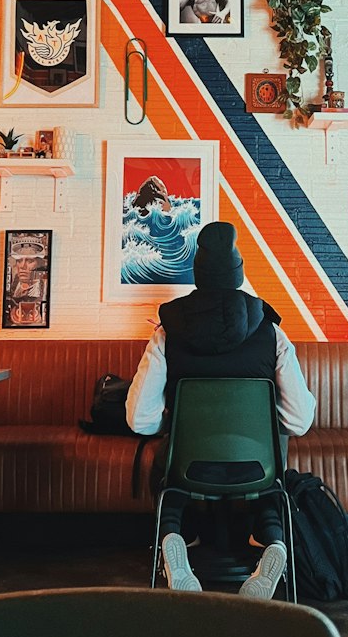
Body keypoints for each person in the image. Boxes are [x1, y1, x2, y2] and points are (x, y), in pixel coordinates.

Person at [126, 221, 316, 597]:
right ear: (239, 273)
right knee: (271, 475)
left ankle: (174, 539)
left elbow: (139, 420)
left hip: (189, 470)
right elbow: (299, 419)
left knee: (169, 471)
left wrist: (175, 420)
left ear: (197, 274)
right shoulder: (271, 331)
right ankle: (274, 542)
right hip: (256, 470)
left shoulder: (168, 331)